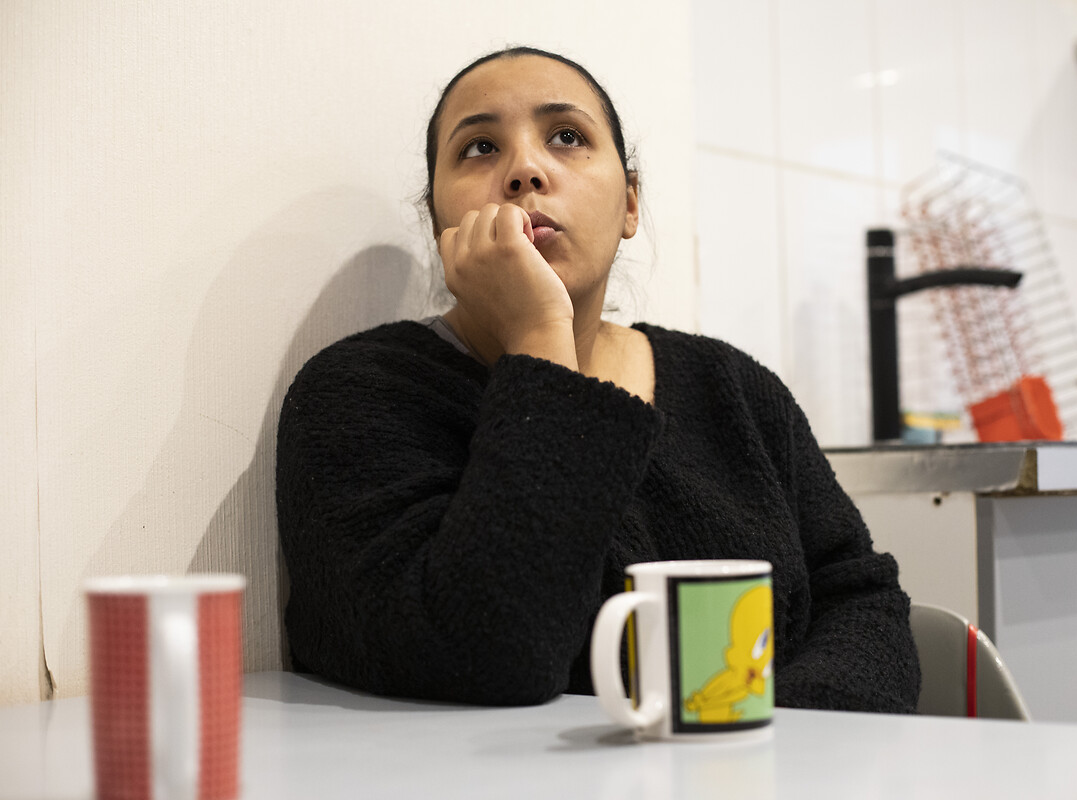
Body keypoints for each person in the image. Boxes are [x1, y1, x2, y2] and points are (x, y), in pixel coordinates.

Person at [275, 46, 921, 712]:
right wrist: (539, 338)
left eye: (566, 137)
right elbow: (483, 656)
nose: (524, 170)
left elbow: (859, 599)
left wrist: (768, 734)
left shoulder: (732, 388)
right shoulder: (359, 394)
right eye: (479, 148)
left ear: (630, 204)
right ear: (439, 221)